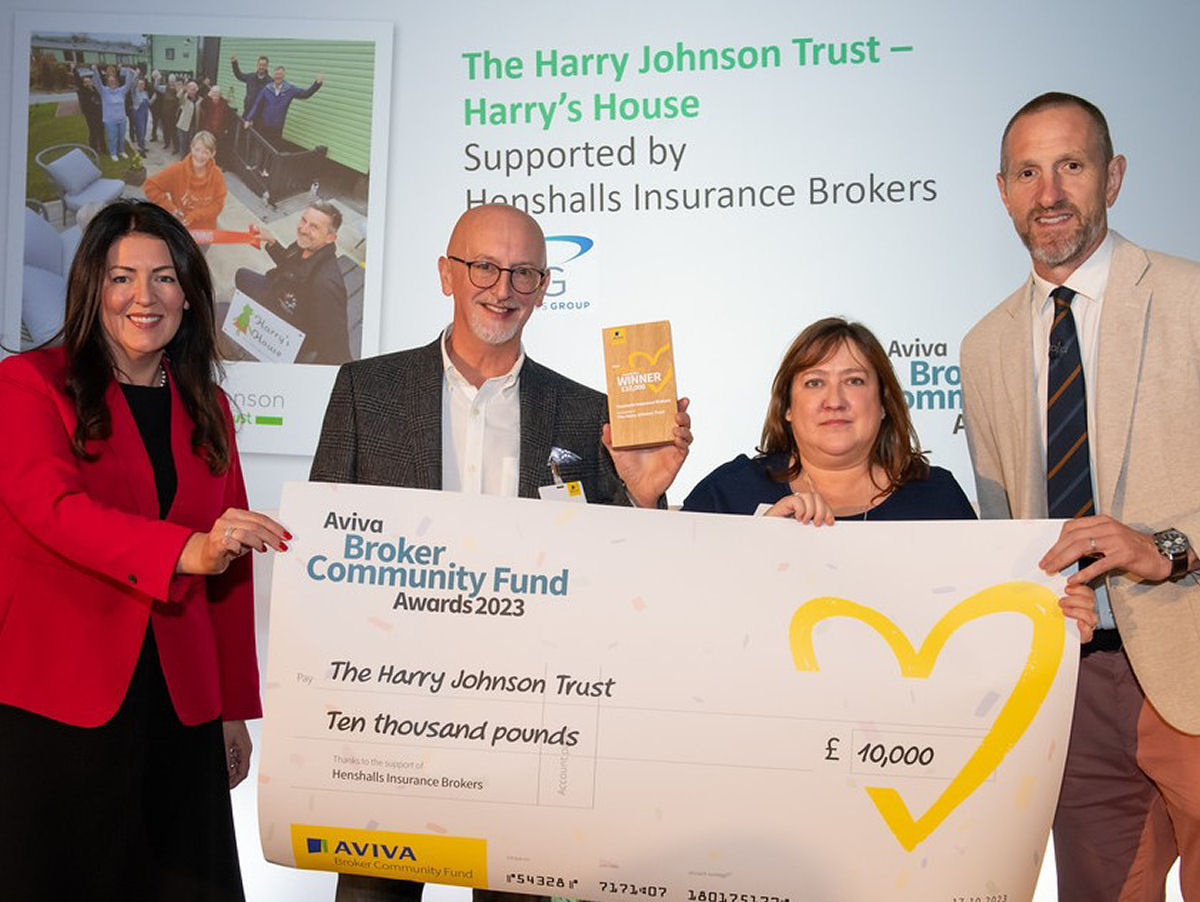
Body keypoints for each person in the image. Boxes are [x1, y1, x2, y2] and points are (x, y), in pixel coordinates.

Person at [310, 202, 692, 902]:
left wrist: (643, 498)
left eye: (524, 273)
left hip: (530, 718)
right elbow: (324, 559)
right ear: (446, 275)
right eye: (484, 265)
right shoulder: (368, 393)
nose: (503, 287)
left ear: (544, 288)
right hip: (391, 715)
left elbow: (625, 582)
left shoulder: (587, 412)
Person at [0, 199, 289, 899]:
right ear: (91, 288)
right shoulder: (28, 385)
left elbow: (230, 556)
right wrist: (189, 549)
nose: (143, 297)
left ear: (188, 295)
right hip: (61, 704)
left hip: (181, 704)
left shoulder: (205, 404)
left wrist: (231, 708)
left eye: (163, 278)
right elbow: (57, 514)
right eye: (121, 277)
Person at [961, 92, 1200, 900]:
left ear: (1115, 177)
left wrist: (1165, 549)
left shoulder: (1191, 298)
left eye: (1071, 166)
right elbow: (1006, 527)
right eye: (1027, 172)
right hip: (1072, 689)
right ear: (1002, 191)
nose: (1049, 193)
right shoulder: (985, 344)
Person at [233, 201, 351, 364]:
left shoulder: (326, 284)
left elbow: (336, 347)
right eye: (303, 220)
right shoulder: (305, 246)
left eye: (314, 227)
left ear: (330, 237)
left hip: (286, 326)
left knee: (222, 312)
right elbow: (287, 263)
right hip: (276, 291)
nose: (303, 229)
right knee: (242, 276)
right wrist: (272, 242)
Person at [143, 130, 227, 233]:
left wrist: (195, 215)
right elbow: (150, 186)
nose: (200, 156)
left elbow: (218, 204)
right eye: (197, 150)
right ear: (191, 148)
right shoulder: (177, 170)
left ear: (212, 154)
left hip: (205, 232)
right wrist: (170, 208)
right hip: (181, 230)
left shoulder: (217, 174)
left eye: (206, 152)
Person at [241, 65, 324, 148]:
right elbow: (256, 104)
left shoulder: (289, 89)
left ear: (283, 76)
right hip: (263, 125)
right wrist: (248, 119)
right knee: (260, 148)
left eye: (280, 75)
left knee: (274, 149)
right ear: (274, 76)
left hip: (277, 127)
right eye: (276, 74)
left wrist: (317, 84)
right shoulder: (267, 89)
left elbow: (305, 94)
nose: (278, 77)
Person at [97, 64, 135, 161]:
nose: (112, 82)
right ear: (107, 82)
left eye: (113, 81)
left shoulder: (121, 91)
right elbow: (96, 82)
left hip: (122, 119)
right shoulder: (104, 91)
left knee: (121, 137)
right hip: (110, 120)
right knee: (112, 138)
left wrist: (130, 73)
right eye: (110, 81)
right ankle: (113, 153)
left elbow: (128, 84)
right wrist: (94, 71)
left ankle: (121, 151)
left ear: (116, 82)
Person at [68, 61, 105, 155]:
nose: (88, 83)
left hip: (99, 114)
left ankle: (103, 149)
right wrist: (75, 69)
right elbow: (78, 82)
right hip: (90, 115)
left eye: (89, 81)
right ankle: (94, 150)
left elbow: (101, 81)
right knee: (93, 132)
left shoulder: (95, 90)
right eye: (86, 82)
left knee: (101, 131)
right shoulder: (83, 92)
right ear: (84, 84)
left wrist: (98, 69)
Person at [230, 53, 272, 118]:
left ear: (267, 66)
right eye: (260, 65)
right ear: (257, 65)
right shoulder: (251, 77)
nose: (261, 67)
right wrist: (234, 63)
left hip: (260, 117)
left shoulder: (270, 82)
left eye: (264, 65)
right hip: (247, 112)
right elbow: (239, 75)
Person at [176, 79, 201, 159]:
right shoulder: (184, 97)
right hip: (183, 125)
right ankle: (182, 162)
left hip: (193, 126)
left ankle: (189, 162)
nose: (192, 91)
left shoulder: (199, 99)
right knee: (183, 145)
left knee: (191, 145)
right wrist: (183, 89)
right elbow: (178, 96)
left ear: (196, 90)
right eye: (190, 89)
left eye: (194, 89)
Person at [130, 75, 152, 155]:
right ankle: (140, 147)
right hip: (138, 112)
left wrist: (154, 98)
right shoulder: (135, 92)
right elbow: (132, 85)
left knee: (144, 129)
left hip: (145, 112)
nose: (141, 85)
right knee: (140, 130)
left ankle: (143, 145)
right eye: (140, 84)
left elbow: (148, 103)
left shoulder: (145, 92)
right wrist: (136, 75)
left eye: (143, 84)